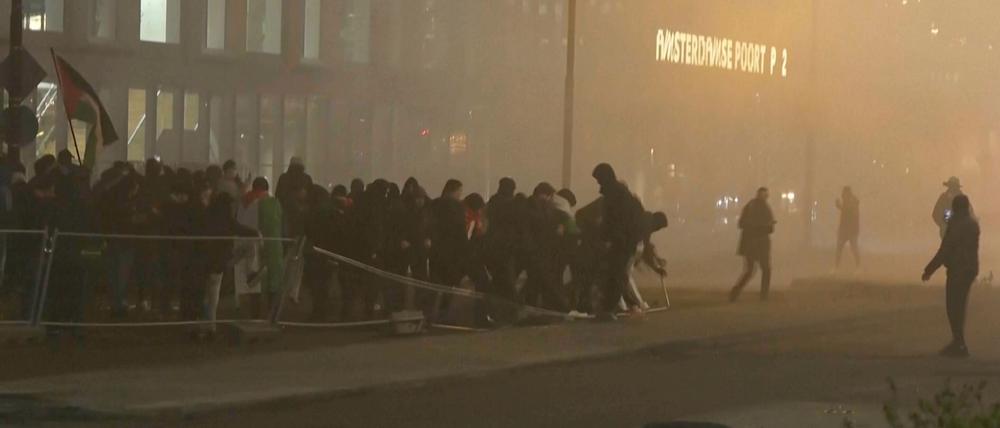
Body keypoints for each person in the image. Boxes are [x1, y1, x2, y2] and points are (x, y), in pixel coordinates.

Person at [922, 194, 979, 358]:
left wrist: (930, 269)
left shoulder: (956, 224)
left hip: (957, 270)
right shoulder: (972, 224)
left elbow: (945, 250)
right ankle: (959, 342)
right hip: (969, 269)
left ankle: (958, 342)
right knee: (959, 305)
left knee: (953, 306)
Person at [591, 163, 646, 320]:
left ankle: (610, 309)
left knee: (615, 275)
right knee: (617, 275)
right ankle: (620, 307)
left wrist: (607, 237)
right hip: (625, 240)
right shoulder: (623, 194)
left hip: (620, 241)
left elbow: (613, 221)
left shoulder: (614, 195)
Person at [428, 179, 467, 321]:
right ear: (454, 190)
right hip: (452, 252)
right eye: (459, 191)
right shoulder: (457, 207)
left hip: (436, 250)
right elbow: (461, 231)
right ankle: (443, 314)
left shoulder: (434, 204)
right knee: (450, 283)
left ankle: (430, 313)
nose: (460, 194)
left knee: (435, 283)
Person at [730, 187, 776, 302]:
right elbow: (769, 228)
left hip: (750, 244)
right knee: (764, 269)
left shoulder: (750, 207)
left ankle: (736, 291)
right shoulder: (764, 208)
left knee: (751, 270)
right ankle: (763, 295)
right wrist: (763, 228)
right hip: (759, 244)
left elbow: (741, 224)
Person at [835, 186, 861, 269]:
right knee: (839, 249)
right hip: (844, 229)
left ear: (848, 194)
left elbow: (849, 211)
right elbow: (845, 210)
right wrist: (840, 206)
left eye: (844, 194)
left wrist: (840, 206)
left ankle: (858, 268)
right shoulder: (848, 202)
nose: (843, 196)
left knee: (854, 249)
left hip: (852, 231)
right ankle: (835, 268)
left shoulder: (853, 202)